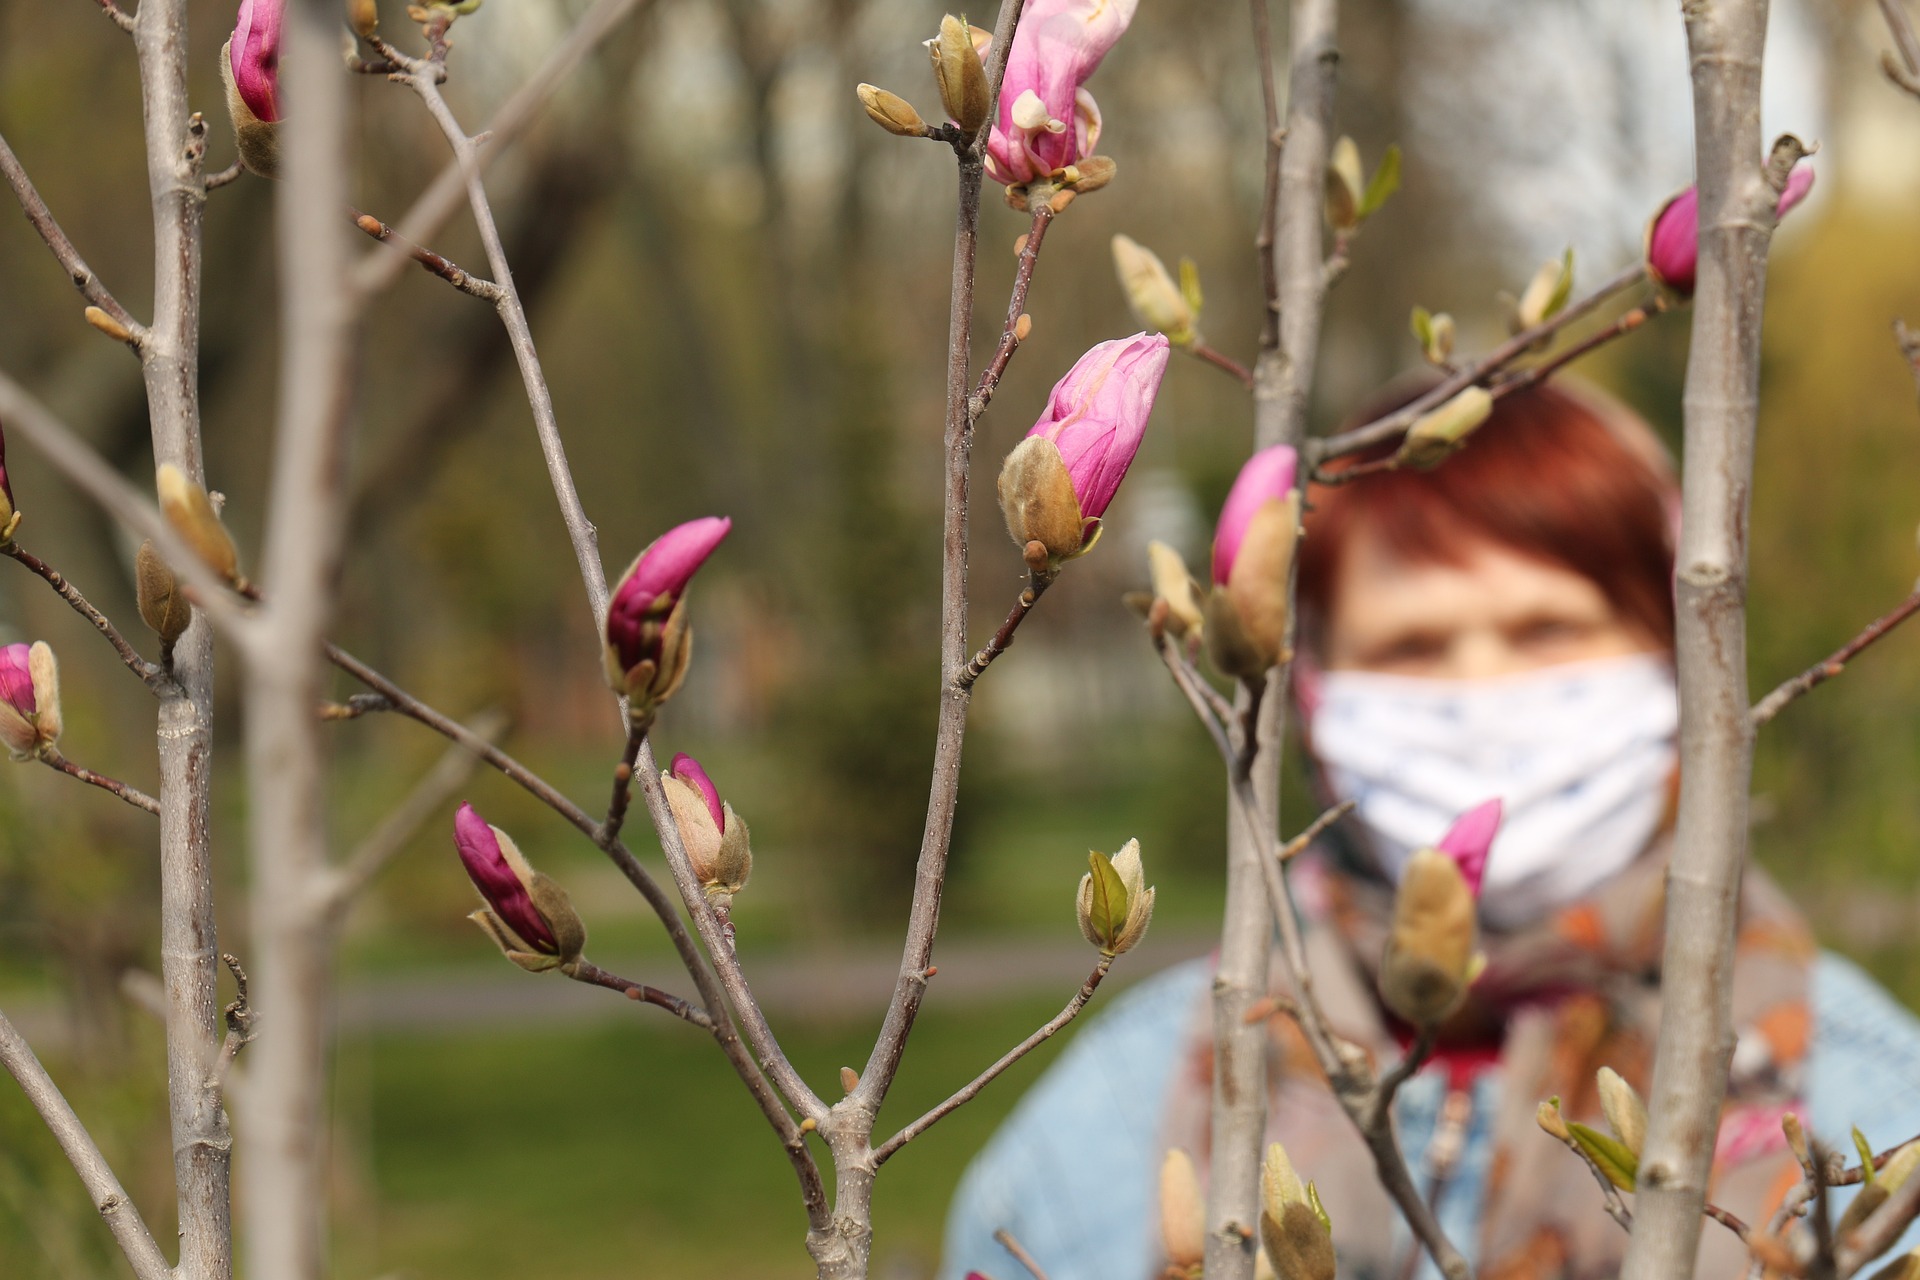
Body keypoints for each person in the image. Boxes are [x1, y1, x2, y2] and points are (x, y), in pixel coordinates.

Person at [939, 380, 1920, 1280]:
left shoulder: (1877, 1101)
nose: (1484, 692)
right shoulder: (1108, 1123)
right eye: (1413, 645)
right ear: (1312, 692)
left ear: (1680, 659)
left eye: (1547, 630)